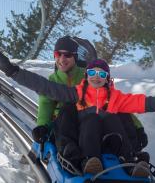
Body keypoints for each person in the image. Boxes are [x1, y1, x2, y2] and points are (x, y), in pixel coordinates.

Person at [0, 48, 155, 175]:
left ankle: (130, 162)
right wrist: (12, 71)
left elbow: (148, 103)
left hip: (109, 138)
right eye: (92, 73)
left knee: (114, 119)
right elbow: (46, 88)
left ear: (107, 79)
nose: (95, 77)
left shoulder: (116, 98)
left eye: (101, 75)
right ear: (86, 75)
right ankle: (90, 161)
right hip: (87, 139)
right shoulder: (77, 94)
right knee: (91, 120)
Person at [31, 36, 147, 166]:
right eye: (58, 54)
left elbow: (115, 100)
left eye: (67, 55)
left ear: (75, 57)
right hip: (66, 126)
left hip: (91, 120)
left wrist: (138, 127)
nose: (62, 59)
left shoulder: (89, 75)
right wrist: (42, 126)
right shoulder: (52, 81)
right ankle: (70, 152)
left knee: (114, 112)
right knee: (68, 108)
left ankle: (130, 153)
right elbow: (45, 105)